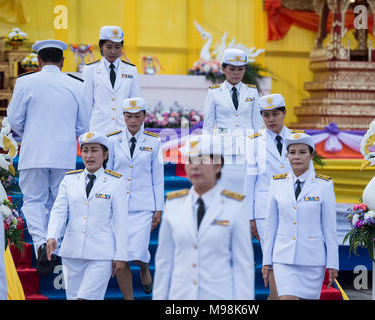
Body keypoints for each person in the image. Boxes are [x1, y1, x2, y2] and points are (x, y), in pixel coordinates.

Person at [7, 39, 88, 275]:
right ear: (63, 61)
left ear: (39, 61)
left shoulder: (25, 82)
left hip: (33, 152)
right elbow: (83, 125)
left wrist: (30, 134)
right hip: (63, 153)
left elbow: (13, 121)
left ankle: (42, 244)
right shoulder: (77, 85)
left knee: (33, 200)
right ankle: (54, 247)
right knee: (59, 202)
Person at [153, 135, 254, 300]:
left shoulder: (235, 206)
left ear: (217, 165)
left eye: (202, 160)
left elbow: (242, 265)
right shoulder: (174, 204)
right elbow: (164, 262)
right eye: (190, 161)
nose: (195, 167)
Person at [46, 131, 128, 300]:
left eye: (94, 150)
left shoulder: (116, 182)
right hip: (72, 252)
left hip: (101, 254)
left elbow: (121, 221)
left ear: (105, 155)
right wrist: (52, 235)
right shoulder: (69, 180)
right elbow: (59, 211)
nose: (89, 155)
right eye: (85, 150)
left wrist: (121, 255)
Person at [262, 132, 339, 300]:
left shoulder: (324, 185)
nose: (296, 157)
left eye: (302, 152)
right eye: (292, 152)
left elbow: (330, 228)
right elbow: (270, 226)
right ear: (287, 155)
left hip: (312, 259)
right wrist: (266, 260)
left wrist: (333, 262)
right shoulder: (277, 183)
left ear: (311, 155)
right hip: (283, 258)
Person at [106, 97, 164, 299]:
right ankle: (128, 298)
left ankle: (145, 268)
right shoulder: (112, 140)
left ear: (144, 116)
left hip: (143, 207)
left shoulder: (154, 142)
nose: (132, 121)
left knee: (138, 252)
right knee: (120, 254)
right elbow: (109, 173)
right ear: (123, 116)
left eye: (137, 116)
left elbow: (158, 178)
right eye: (128, 116)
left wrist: (159, 208)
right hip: (118, 206)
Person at [244, 93, 292, 300]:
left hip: (292, 207)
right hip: (264, 210)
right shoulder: (254, 142)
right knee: (271, 257)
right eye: (266, 115)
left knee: (287, 256)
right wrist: (250, 216)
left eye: (275, 114)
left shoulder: (297, 139)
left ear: (284, 113)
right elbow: (250, 182)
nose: (271, 119)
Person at [203, 48, 263, 194]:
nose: (236, 73)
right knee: (225, 190)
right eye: (232, 69)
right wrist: (210, 155)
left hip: (248, 150)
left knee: (247, 191)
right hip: (224, 151)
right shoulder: (214, 92)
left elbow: (257, 124)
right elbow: (208, 127)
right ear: (223, 69)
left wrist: (259, 151)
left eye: (240, 69)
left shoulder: (252, 92)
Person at [83, 26, 141, 135]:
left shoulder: (131, 70)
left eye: (117, 47)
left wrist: (137, 134)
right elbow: (86, 105)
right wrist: (85, 134)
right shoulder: (90, 70)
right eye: (109, 47)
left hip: (123, 130)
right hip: (98, 129)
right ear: (101, 46)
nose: (113, 51)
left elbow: (136, 104)